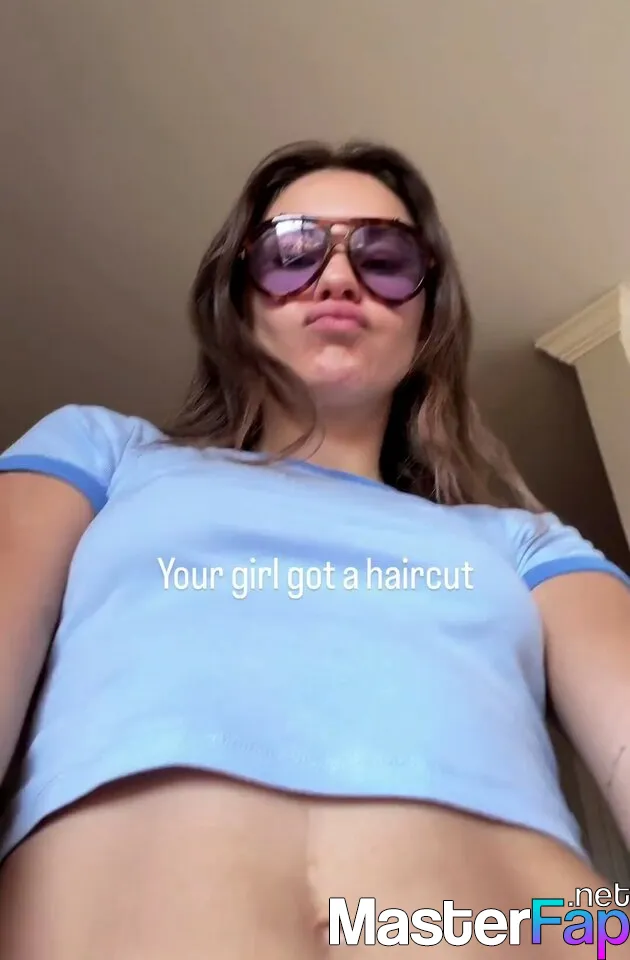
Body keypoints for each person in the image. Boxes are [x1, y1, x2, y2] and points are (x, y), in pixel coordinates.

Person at [0, 139, 628, 959]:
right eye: (292, 252)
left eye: (385, 258)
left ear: (427, 314)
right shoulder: (103, 453)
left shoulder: (525, 543)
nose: (337, 278)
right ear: (239, 297)